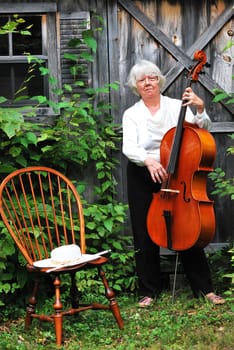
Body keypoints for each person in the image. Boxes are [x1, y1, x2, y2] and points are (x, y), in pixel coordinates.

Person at [122, 59, 225, 308]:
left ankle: (205, 288)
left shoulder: (176, 106)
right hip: (144, 174)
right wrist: (148, 161)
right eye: (142, 80)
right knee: (144, 232)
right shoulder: (132, 114)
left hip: (179, 172)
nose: (148, 83)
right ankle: (149, 290)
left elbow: (202, 130)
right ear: (136, 86)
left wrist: (200, 109)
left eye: (152, 77)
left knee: (187, 228)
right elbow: (129, 147)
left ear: (159, 80)